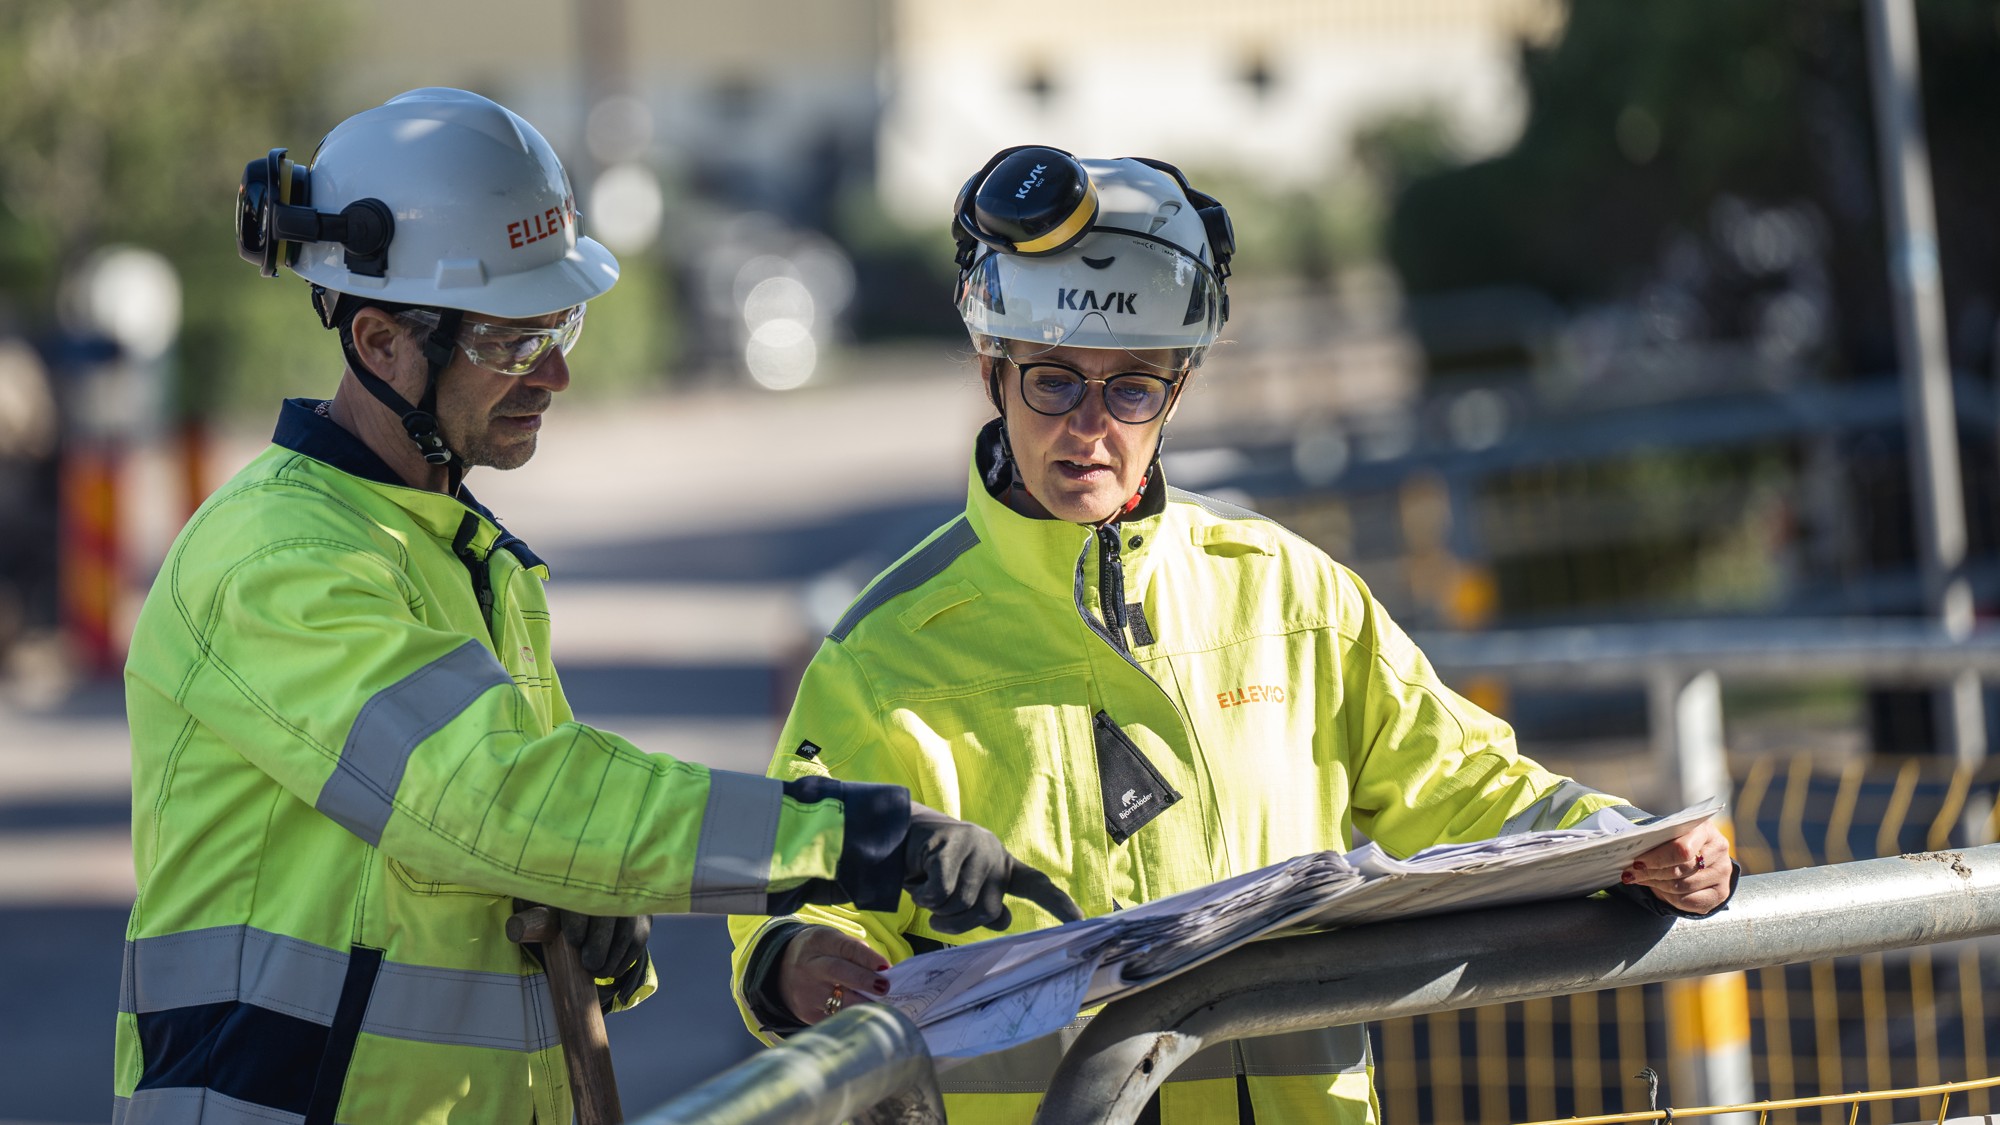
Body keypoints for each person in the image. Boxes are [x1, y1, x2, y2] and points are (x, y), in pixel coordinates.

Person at [116, 91, 1074, 1125]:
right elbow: (496, 803)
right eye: (511, 341)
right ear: (381, 341)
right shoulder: (278, 559)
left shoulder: (464, 558)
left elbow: (491, 848)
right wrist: (848, 840)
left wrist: (581, 901)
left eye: (559, 325)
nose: (558, 373)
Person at [727, 146, 1737, 1124]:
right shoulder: (883, 652)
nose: (1089, 427)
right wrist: (800, 962)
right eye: (1052, 381)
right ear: (990, 366)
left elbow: (1460, 783)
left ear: (1180, 385)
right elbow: (795, 898)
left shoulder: (1288, 590)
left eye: (1131, 388)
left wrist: (1625, 841)